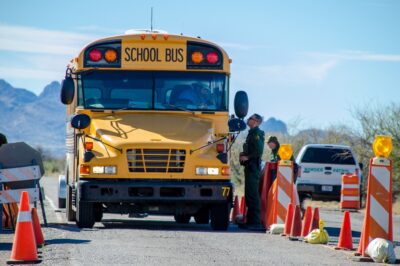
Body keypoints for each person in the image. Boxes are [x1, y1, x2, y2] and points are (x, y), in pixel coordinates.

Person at [239, 114, 265, 230]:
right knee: (249, 194)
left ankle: (255, 222)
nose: (248, 119)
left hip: (253, 166)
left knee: (253, 195)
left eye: (251, 118)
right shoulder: (251, 133)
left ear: (257, 121)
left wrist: (248, 157)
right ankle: (250, 221)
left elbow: (258, 151)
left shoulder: (256, 134)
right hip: (250, 166)